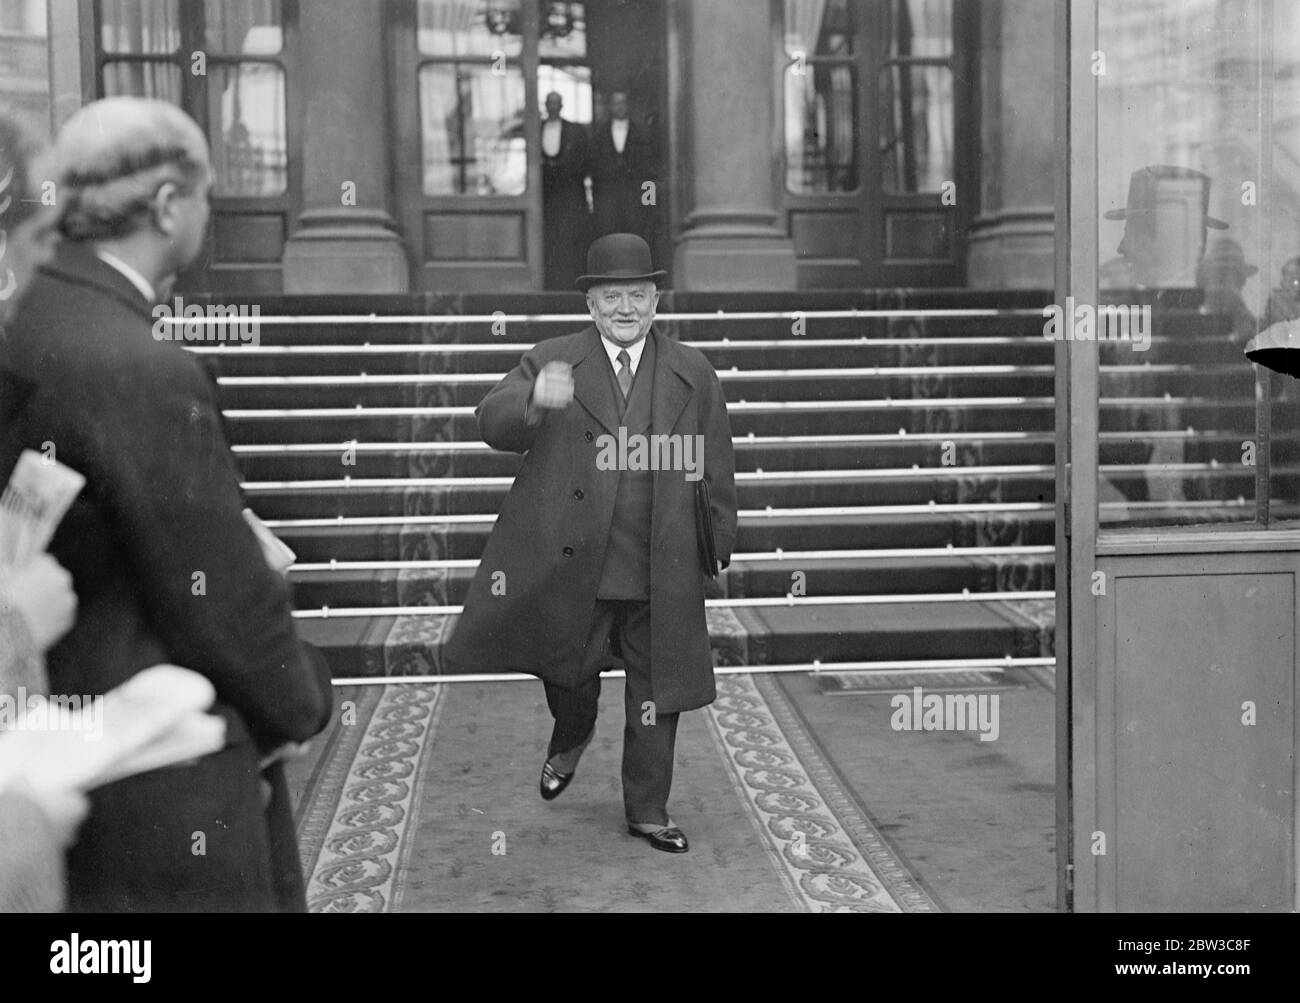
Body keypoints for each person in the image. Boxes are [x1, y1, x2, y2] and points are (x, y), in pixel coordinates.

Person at [0, 96, 334, 912]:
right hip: (149, 793)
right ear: (166, 204)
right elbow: (218, 605)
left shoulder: (29, 320)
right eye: (209, 195)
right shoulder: (139, 365)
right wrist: (306, 694)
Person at [445, 233, 737, 853]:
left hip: (663, 562)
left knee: (657, 692)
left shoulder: (693, 371)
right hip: (577, 563)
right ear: (591, 306)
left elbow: (716, 463)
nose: (625, 308)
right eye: (612, 297)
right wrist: (532, 399)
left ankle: (649, 809)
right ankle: (571, 734)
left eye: (637, 295)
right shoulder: (554, 359)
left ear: (656, 301)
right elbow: (489, 421)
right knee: (569, 676)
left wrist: (719, 544)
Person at [541, 91, 591, 290]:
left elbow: (584, 161)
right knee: (550, 238)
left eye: (556, 103)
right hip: (546, 196)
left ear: (561, 106)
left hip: (570, 194)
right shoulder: (537, 128)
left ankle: (571, 281)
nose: (553, 107)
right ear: (546, 105)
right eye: (549, 103)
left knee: (570, 238)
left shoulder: (575, 130)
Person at [590, 90, 652, 240]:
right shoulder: (599, 134)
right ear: (610, 107)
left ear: (628, 105)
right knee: (610, 235)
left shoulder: (642, 133)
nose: (619, 107)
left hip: (635, 197)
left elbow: (650, 171)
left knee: (636, 234)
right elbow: (593, 167)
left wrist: (650, 203)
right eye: (616, 103)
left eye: (622, 103)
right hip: (609, 198)